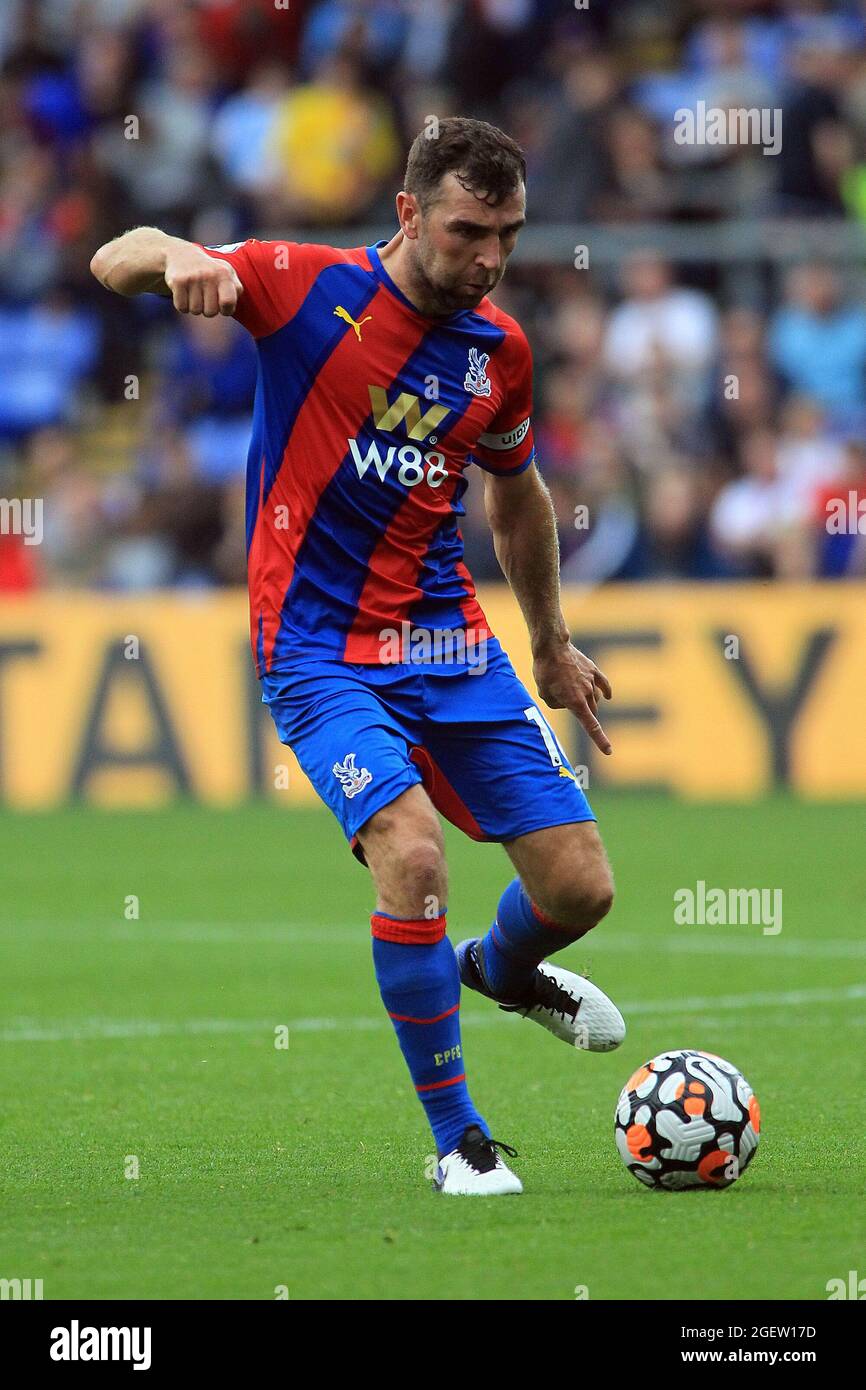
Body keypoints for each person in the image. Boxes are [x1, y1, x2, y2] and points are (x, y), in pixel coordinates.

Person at [90, 117, 624, 1197]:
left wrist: (550, 642)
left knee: (579, 889)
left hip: (447, 641)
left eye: (508, 237)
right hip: (317, 649)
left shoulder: (499, 352)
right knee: (413, 857)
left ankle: (498, 968)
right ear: (409, 212)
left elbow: (514, 494)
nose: (488, 260)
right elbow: (114, 258)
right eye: (468, 232)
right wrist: (183, 254)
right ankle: (458, 1142)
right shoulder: (298, 285)